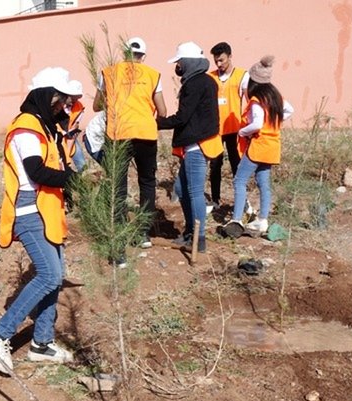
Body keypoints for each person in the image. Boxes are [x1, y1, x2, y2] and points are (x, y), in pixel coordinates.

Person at [0, 67, 77, 375]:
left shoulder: (45, 126)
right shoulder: (27, 128)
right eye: (59, 98)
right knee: (51, 276)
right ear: (43, 95)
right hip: (29, 212)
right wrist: (72, 180)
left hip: (47, 210)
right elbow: (36, 171)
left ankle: (41, 343)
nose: (62, 104)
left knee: (55, 275)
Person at [94, 37, 167, 258]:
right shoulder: (153, 75)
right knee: (147, 182)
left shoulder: (108, 72)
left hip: (118, 135)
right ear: (142, 56)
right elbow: (162, 111)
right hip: (145, 134)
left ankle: (119, 232)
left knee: (118, 184)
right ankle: (143, 233)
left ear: (124, 54)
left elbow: (97, 105)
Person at [156, 42, 222, 254]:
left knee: (193, 193)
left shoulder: (195, 84)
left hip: (196, 146)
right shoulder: (206, 81)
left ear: (188, 63)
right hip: (197, 142)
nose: (178, 67)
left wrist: (156, 123)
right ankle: (190, 231)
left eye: (179, 63)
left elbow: (183, 117)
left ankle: (198, 238)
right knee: (180, 189)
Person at [224, 56, 294, 238]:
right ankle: (263, 219)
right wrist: (276, 121)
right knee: (264, 183)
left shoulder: (256, 100)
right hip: (273, 147)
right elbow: (289, 110)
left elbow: (256, 124)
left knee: (239, 180)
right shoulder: (276, 97)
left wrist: (242, 132)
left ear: (254, 81)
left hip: (259, 146)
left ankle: (237, 218)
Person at [208, 42, 250, 211]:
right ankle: (215, 200)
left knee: (236, 165)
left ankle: (242, 202)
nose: (219, 64)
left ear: (230, 56)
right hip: (215, 130)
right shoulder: (210, 77)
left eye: (222, 60)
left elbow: (250, 102)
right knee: (215, 165)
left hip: (235, 129)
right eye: (216, 61)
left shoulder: (242, 76)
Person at [60, 80, 86, 171]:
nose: (74, 101)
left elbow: (75, 125)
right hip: (58, 139)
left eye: (77, 98)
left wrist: (68, 150)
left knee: (82, 165)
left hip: (71, 138)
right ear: (66, 95)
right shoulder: (57, 106)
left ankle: (82, 183)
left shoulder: (79, 107)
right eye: (72, 98)